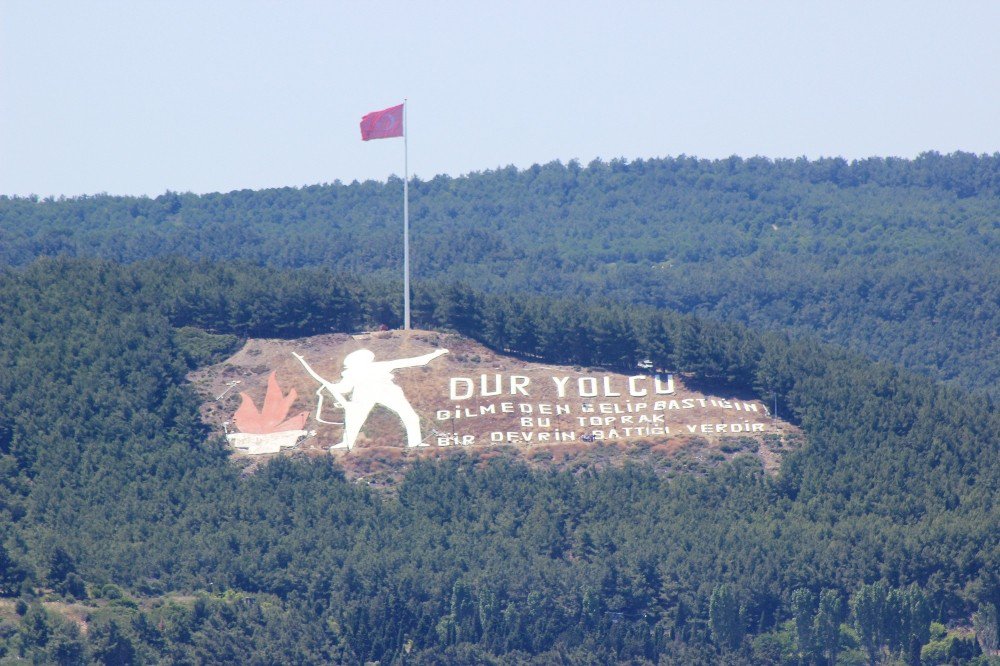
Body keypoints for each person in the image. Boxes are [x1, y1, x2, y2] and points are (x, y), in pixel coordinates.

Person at [294, 348, 448, 450]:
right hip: (365, 393)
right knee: (353, 419)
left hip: (386, 390)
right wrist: (332, 387)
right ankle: (347, 443)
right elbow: (344, 388)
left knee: (410, 416)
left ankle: (415, 442)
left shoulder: (375, 367)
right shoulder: (353, 372)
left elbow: (413, 361)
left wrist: (434, 354)